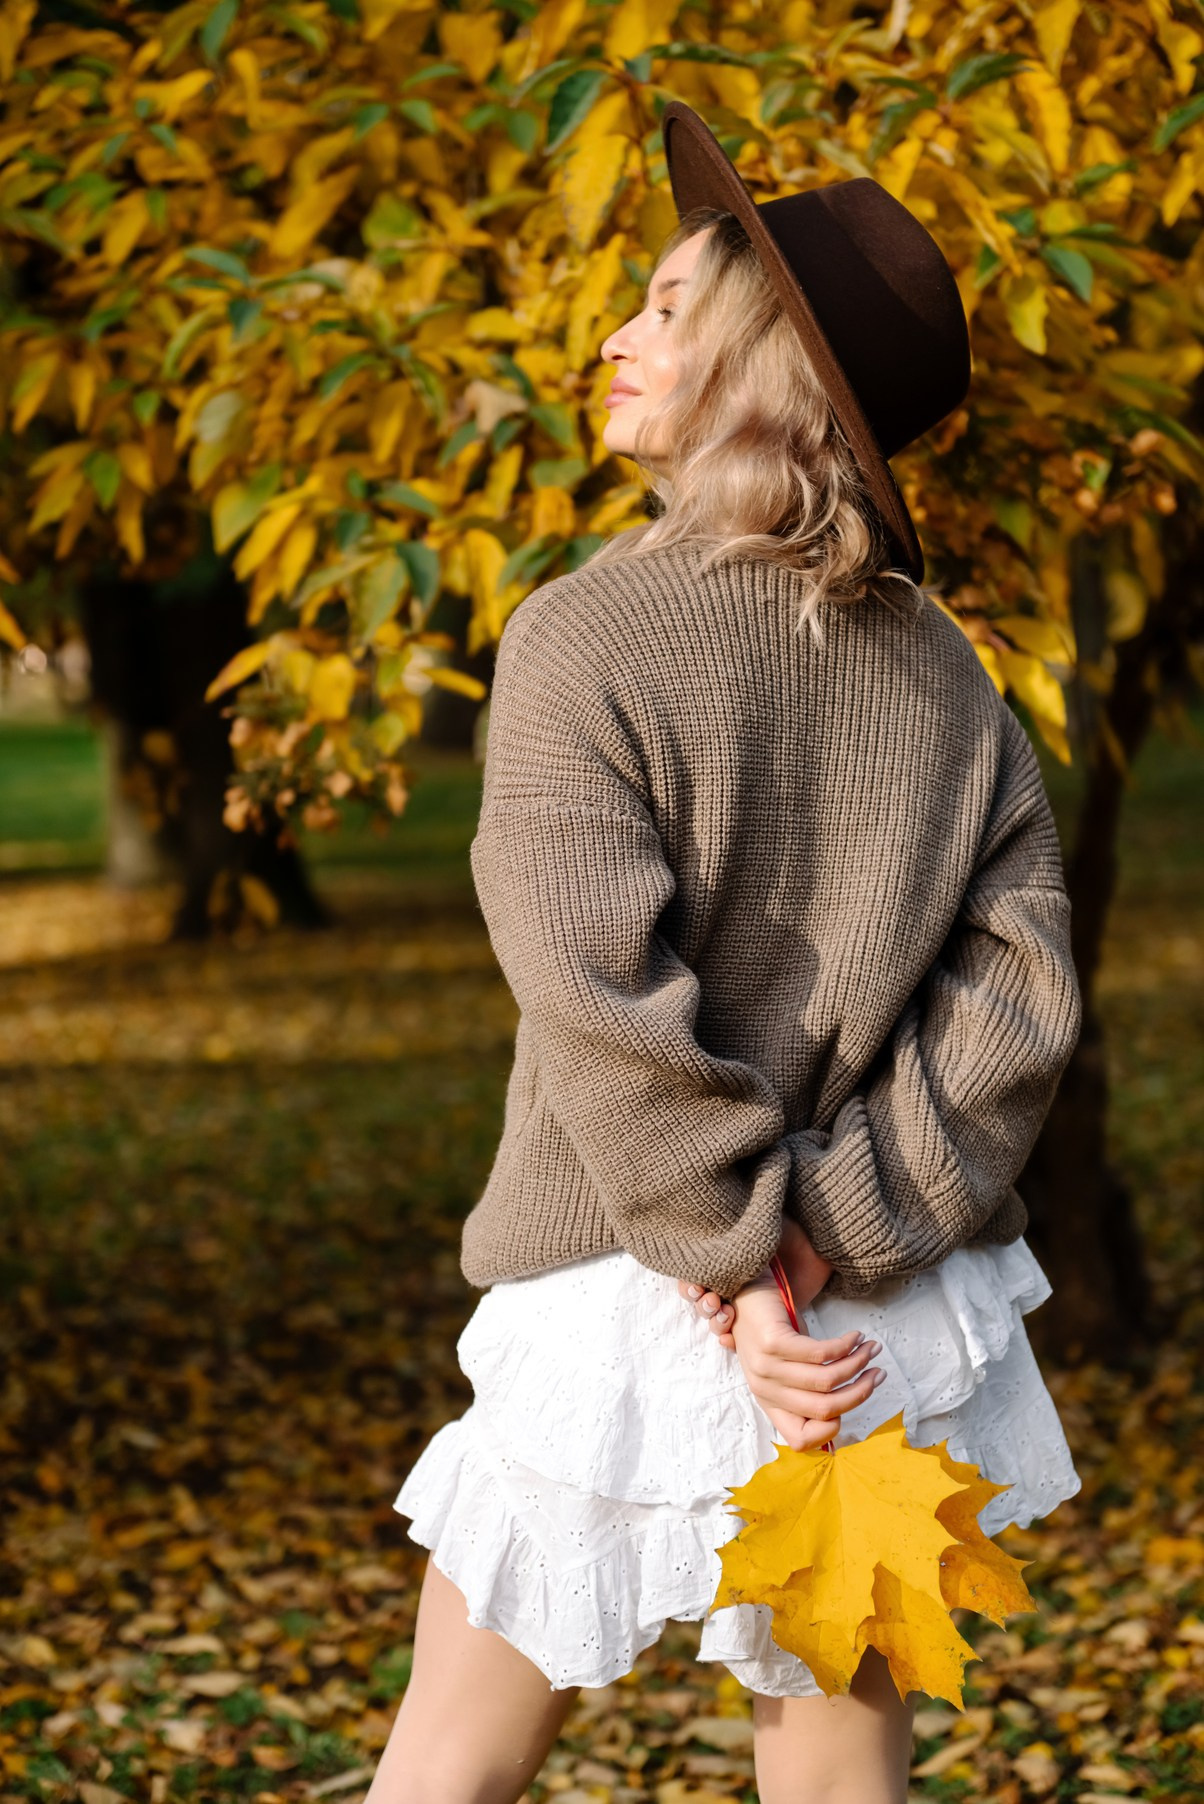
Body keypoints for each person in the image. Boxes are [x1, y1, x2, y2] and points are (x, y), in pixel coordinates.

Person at [365, 99, 1084, 1804]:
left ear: (761, 365)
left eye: (670, 309)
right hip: (877, 1308)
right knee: (841, 1782)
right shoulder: (945, 673)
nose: (616, 336)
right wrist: (820, 1245)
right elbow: (1021, 997)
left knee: (448, 1769)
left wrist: (740, 1263)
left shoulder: (582, 635)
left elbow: (592, 993)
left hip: (626, 1289)